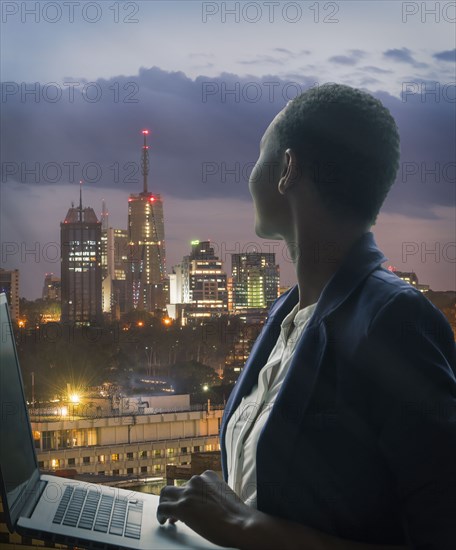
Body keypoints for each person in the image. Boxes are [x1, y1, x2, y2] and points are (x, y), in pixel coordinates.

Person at [157, 83, 456, 549]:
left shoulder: (395, 319)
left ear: (288, 168)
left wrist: (245, 527)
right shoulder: (286, 315)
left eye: (260, 155)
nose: (249, 175)